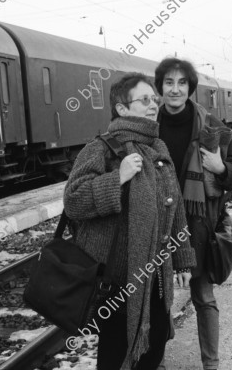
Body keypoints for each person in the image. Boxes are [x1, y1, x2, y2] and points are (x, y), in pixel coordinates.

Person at [64, 73, 196, 370]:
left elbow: (174, 207)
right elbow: (73, 201)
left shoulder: (157, 149)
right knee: (115, 355)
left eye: (155, 99)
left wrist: (184, 259)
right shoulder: (101, 149)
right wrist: (117, 178)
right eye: (145, 100)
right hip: (118, 281)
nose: (153, 105)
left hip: (157, 276)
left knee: (155, 344)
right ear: (122, 109)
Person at [155, 58, 232, 370]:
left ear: (190, 88)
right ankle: (157, 361)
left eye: (181, 83)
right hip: (157, 226)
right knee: (158, 301)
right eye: (168, 82)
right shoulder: (148, 126)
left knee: (203, 298)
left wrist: (221, 168)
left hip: (198, 227)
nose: (175, 89)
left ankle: (211, 364)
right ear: (160, 87)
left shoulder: (212, 128)